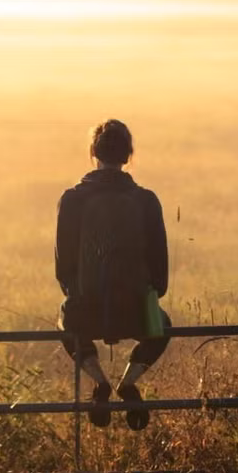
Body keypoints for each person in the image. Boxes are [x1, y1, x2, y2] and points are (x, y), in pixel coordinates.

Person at [55, 119, 172, 431]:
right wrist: (147, 294)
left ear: (94, 153)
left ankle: (99, 381)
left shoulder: (72, 200)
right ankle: (129, 382)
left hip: (86, 312)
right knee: (164, 326)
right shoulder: (146, 200)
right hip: (136, 311)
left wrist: (80, 294)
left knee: (66, 322)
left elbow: (63, 267)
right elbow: (160, 270)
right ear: (128, 154)